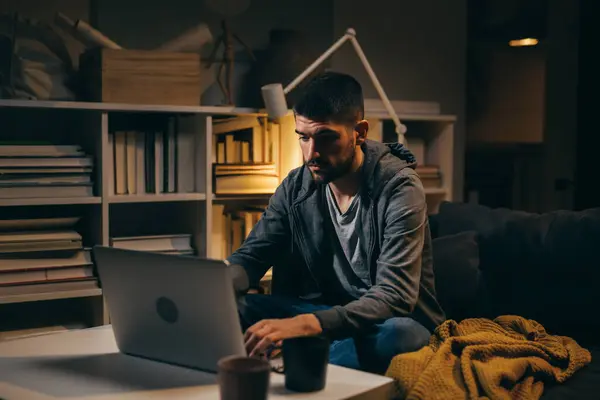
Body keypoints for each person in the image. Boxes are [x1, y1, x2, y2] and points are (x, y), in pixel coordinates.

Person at [227, 71, 446, 374]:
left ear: (360, 131)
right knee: (230, 309)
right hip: (328, 314)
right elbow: (251, 257)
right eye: (303, 137)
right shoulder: (296, 187)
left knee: (403, 336)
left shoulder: (399, 187)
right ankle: (306, 356)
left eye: (326, 137)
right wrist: (217, 285)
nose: (311, 153)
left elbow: (395, 295)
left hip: (383, 322)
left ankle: (298, 359)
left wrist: (306, 326)